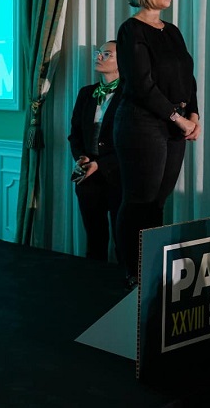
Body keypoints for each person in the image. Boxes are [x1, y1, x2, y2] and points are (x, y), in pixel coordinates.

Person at [114, 0, 200, 290]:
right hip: (141, 125)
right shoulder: (130, 30)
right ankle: (133, 272)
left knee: (158, 203)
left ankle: (152, 268)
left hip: (174, 124)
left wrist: (194, 116)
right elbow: (141, 85)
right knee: (139, 201)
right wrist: (178, 119)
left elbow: (186, 78)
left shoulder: (172, 30)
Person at [68, 40, 123, 262]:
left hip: (119, 176)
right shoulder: (86, 93)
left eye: (107, 54)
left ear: (123, 61)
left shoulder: (131, 95)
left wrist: (101, 164)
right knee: (94, 240)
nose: (99, 57)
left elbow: (133, 142)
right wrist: (80, 157)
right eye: (98, 53)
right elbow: (75, 133)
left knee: (124, 242)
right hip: (87, 179)